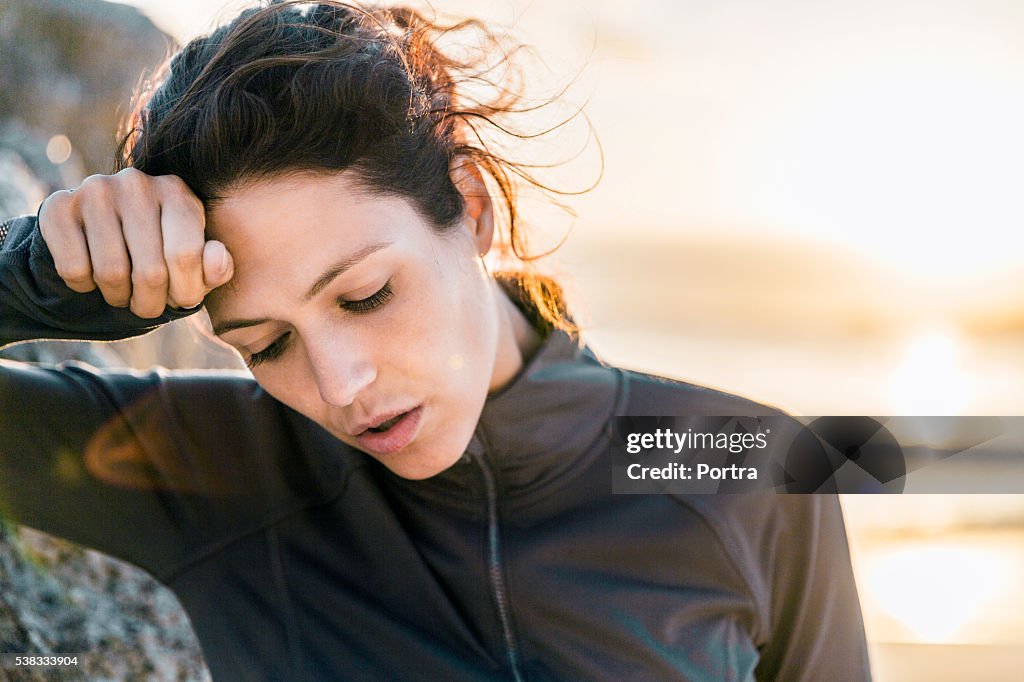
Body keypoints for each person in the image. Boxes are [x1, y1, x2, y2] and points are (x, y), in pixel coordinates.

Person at [0, 1, 872, 679]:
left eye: (367, 294)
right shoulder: (211, 469)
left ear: (475, 205)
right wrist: (39, 283)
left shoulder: (742, 469)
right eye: (265, 345)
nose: (339, 385)